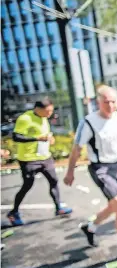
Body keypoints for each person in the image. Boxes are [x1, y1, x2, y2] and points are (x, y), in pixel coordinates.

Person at [63, 85, 117, 262]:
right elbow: (77, 148)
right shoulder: (88, 122)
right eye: (106, 102)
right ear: (98, 102)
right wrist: (70, 172)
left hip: (116, 166)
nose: (110, 105)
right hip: (99, 168)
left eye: (113, 101)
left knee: (114, 205)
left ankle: (90, 227)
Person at [7, 97, 72, 226]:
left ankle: (59, 208)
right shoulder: (25, 118)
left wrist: (49, 138)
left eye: (51, 111)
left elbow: (45, 135)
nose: (50, 114)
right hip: (28, 159)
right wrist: (37, 138)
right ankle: (13, 213)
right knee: (27, 185)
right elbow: (16, 137)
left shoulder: (44, 118)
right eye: (48, 111)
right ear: (38, 109)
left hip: (44, 157)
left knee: (53, 180)